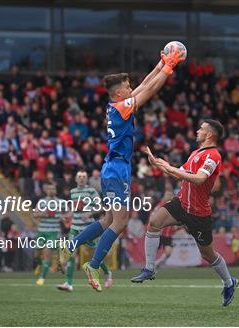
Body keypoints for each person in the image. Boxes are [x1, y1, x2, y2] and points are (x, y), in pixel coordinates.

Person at [60, 46, 185, 292]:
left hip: (112, 168)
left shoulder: (116, 105)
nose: (131, 89)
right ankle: (93, 265)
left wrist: (160, 65)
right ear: (119, 93)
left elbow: (144, 84)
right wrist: (169, 68)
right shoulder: (122, 107)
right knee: (119, 222)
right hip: (117, 170)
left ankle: (72, 245)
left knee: (108, 220)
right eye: (127, 87)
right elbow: (149, 89)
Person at [131, 120, 239, 307]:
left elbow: (199, 179)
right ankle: (149, 268)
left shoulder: (213, 156)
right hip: (182, 203)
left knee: (208, 254)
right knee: (154, 222)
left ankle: (229, 283)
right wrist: (158, 163)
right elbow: (178, 173)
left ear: (210, 134)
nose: (198, 131)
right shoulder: (195, 153)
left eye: (201, 129)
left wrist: (170, 168)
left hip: (199, 212)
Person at [57, 170, 113, 292]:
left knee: (95, 254)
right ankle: (69, 284)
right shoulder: (72, 192)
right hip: (74, 228)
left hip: (88, 228)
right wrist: (67, 215)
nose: (81, 178)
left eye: (84, 177)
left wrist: (90, 213)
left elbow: (101, 207)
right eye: (79, 177)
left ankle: (108, 273)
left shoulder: (91, 191)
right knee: (71, 253)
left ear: (86, 179)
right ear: (76, 179)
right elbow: (73, 209)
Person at [34, 182, 66, 286]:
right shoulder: (42, 202)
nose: (51, 190)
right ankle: (39, 264)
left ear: (56, 191)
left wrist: (64, 216)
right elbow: (35, 214)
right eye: (49, 189)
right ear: (46, 190)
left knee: (47, 252)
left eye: (53, 188)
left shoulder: (61, 202)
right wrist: (41, 214)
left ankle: (42, 278)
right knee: (37, 253)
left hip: (54, 232)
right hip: (42, 231)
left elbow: (70, 212)